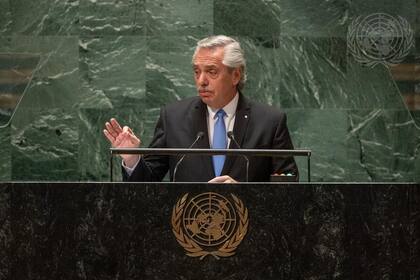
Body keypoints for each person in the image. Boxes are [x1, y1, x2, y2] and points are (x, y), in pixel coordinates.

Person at [103, 35, 298, 183]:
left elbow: (288, 185)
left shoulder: (270, 121)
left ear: (236, 76)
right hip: (187, 229)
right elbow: (147, 184)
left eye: (212, 72)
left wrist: (245, 194)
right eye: (197, 72)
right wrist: (132, 159)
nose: (201, 81)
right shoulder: (173, 118)